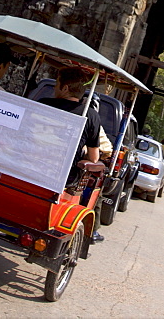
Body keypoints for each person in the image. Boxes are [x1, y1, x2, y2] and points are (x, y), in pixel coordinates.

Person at [39, 67, 104, 240]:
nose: (54, 88)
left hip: (32, 165)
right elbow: (94, 158)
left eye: (57, 84)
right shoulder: (90, 116)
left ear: (65, 88)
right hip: (62, 176)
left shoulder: (43, 104)